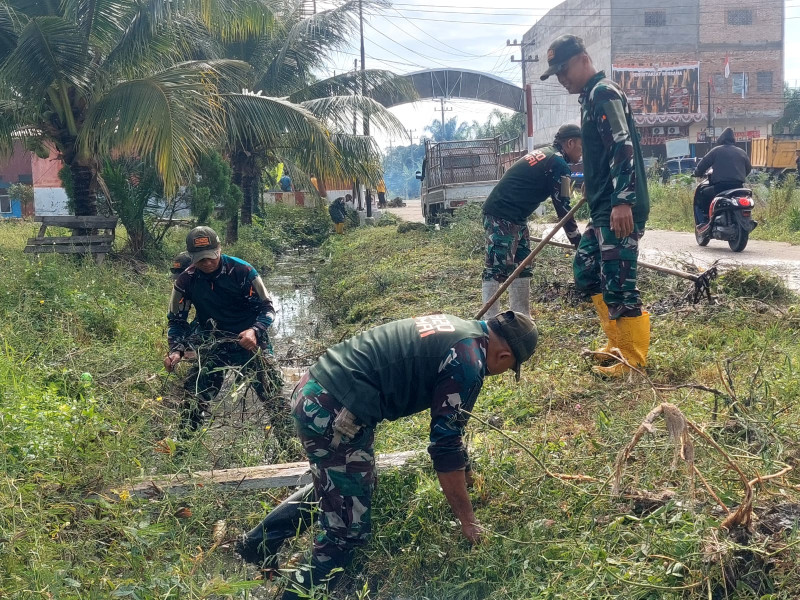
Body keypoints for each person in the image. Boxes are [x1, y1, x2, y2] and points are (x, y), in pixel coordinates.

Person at [236, 311, 538, 599]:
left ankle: (258, 544)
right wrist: (468, 521)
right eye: (509, 369)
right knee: (346, 534)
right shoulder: (469, 362)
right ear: (505, 356)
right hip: (334, 410)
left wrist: (469, 475)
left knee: (345, 486)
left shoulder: (462, 330)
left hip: (316, 387)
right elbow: (444, 446)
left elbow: (453, 429)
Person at [542, 34, 650, 378]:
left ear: (583, 58)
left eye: (563, 70)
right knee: (587, 271)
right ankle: (617, 343)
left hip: (620, 206)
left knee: (620, 283)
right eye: (555, 74)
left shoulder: (604, 93)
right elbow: (603, 151)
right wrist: (593, 181)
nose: (561, 79)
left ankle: (632, 360)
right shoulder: (590, 99)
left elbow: (622, 146)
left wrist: (622, 200)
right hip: (604, 204)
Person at [165, 226, 278, 431]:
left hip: (250, 342)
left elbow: (268, 309)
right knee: (194, 399)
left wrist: (254, 331)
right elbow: (176, 322)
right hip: (213, 342)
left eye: (211, 257)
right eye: (201, 259)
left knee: (274, 397)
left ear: (219, 249)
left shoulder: (243, 271)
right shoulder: (185, 281)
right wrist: (176, 350)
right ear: (191, 257)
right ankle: (183, 448)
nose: (207, 263)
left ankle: (289, 444)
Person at [481, 124, 584, 317]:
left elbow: (565, 202)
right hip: (501, 213)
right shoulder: (560, 164)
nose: (582, 153)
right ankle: (489, 323)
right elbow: (563, 206)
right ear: (570, 143)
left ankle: (521, 318)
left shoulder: (550, 156)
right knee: (497, 266)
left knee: (523, 265)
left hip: (518, 217)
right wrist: (577, 239)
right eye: (581, 147)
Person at [692, 127, 752, 227]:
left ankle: (704, 220)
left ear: (721, 140)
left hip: (720, 188)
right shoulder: (742, 152)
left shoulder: (716, 151)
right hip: (739, 187)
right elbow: (748, 169)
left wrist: (697, 172)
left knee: (702, 193)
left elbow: (702, 165)